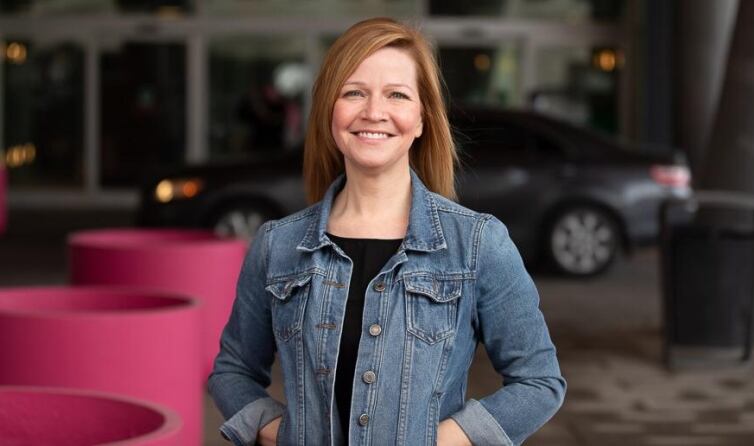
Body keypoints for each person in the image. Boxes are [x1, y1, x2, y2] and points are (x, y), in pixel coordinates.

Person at [208, 17, 565, 446]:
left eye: (396, 94)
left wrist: (442, 440)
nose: (374, 112)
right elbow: (232, 371)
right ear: (329, 113)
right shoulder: (277, 246)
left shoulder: (477, 244)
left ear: (421, 119)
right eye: (354, 92)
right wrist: (278, 430)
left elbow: (539, 382)